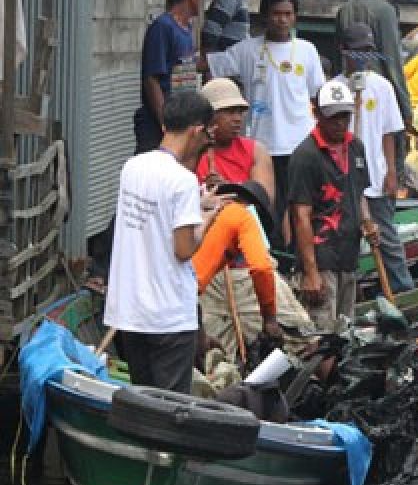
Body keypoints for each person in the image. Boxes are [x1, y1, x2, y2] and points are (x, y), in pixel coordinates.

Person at [105, 91, 223, 393]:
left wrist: (196, 204)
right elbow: (184, 249)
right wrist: (208, 217)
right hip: (168, 317)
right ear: (197, 130)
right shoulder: (182, 180)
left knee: (142, 400)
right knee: (169, 410)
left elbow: (154, 218)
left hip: (131, 313)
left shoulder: (132, 167)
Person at [206, 0, 325, 234]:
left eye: (287, 14)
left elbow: (318, 95)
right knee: (269, 207)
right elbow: (210, 66)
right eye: (276, 14)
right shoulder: (246, 50)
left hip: (301, 143)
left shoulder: (307, 50)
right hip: (262, 145)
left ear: (295, 17)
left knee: (304, 207)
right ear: (264, 16)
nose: (282, 20)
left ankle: (299, 263)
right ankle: (275, 262)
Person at [288, 80, 375, 330]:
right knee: (324, 333)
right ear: (318, 115)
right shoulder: (306, 156)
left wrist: (367, 221)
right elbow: (300, 216)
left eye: (345, 116)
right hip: (321, 255)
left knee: (346, 328)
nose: (340, 123)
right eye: (333, 117)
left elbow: (359, 194)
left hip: (349, 253)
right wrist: (311, 272)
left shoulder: (355, 147)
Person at [334, 22, 413, 291]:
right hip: (344, 178)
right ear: (344, 51)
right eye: (357, 52)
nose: (362, 59)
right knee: (346, 240)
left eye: (367, 52)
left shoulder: (382, 86)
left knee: (387, 238)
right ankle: (349, 297)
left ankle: (403, 291)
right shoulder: (334, 89)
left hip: (376, 176)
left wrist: (392, 172)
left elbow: (389, 133)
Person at [190, 179, 283, 341]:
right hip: (181, 295)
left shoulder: (201, 209)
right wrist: (269, 318)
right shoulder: (243, 215)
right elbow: (261, 267)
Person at [134, 0, 214, 152]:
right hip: (160, 124)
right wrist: (165, 122)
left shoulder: (188, 29)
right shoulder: (163, 27)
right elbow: (152, 79)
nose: (201, 0)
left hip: (182, 120)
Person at [336, 0, 414, 126]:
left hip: (347, 91)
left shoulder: (345, 9)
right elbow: (392, 62)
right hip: (378, 93)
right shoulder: (385, 10)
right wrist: (406, 108)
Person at [195, 77, 275, 200]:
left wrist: (227, 188)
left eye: (240, 112)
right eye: (230, 112)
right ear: (209, 116)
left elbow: (265, 198)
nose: (237, 119)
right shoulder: (191, 154)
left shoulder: (255, 151)